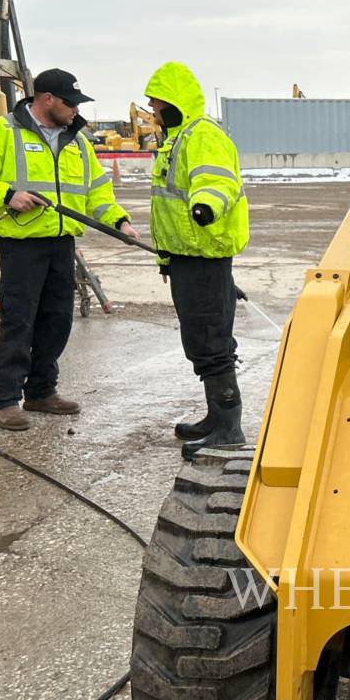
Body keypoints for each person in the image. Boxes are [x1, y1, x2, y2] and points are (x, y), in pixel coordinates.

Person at [0, 69, 137, 430]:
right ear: (46, 99)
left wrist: (119, 221)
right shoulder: (0, 132)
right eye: (70, 103)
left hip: (62, 241)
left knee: (56, 319)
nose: (75, 111)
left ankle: (41, 391)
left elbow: (97, 190)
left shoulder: (75, 140)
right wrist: (6, 195)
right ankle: (4, 399)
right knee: (20, 321)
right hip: (21, 243)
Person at [143, 61, 249, 458]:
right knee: (200, 338)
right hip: (186, 256)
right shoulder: (176, 139)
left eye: (157, 102)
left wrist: (205, 206)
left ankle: (228, 426)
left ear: (174, 101)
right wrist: (168, 256)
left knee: (210, 338)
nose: (153, 109)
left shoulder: (202, 135)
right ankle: (216, 416)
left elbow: (217, 180)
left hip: (204, 254)